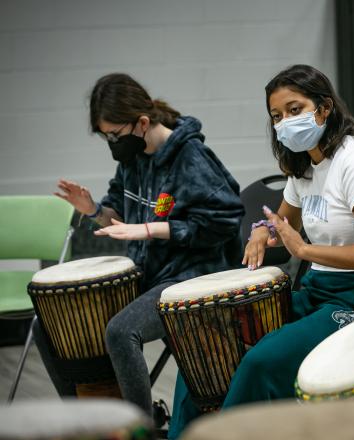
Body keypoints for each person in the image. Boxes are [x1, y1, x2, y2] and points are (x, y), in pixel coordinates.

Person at [167, 63, 354, 435]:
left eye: (295, 110)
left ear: (323, 109)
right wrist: (263, 231)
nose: (284, 122)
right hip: (319, 290)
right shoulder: (305, 168)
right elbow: (284, 222)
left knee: (261, 362)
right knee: (206, 345)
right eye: (277, 116)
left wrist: (305, 251)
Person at [34, 73, 245, 418]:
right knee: (48, 326)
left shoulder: (190, 157)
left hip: (191, 275)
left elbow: (224, 220)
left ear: (142, 122)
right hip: (149, 274)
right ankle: (89, 419)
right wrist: (94, 210)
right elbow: (119, 219)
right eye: (106, 137)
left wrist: (152, 229)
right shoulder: (132, 159)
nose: (112, 143)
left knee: (121, 332)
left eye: (114, 134)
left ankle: (139, 426)